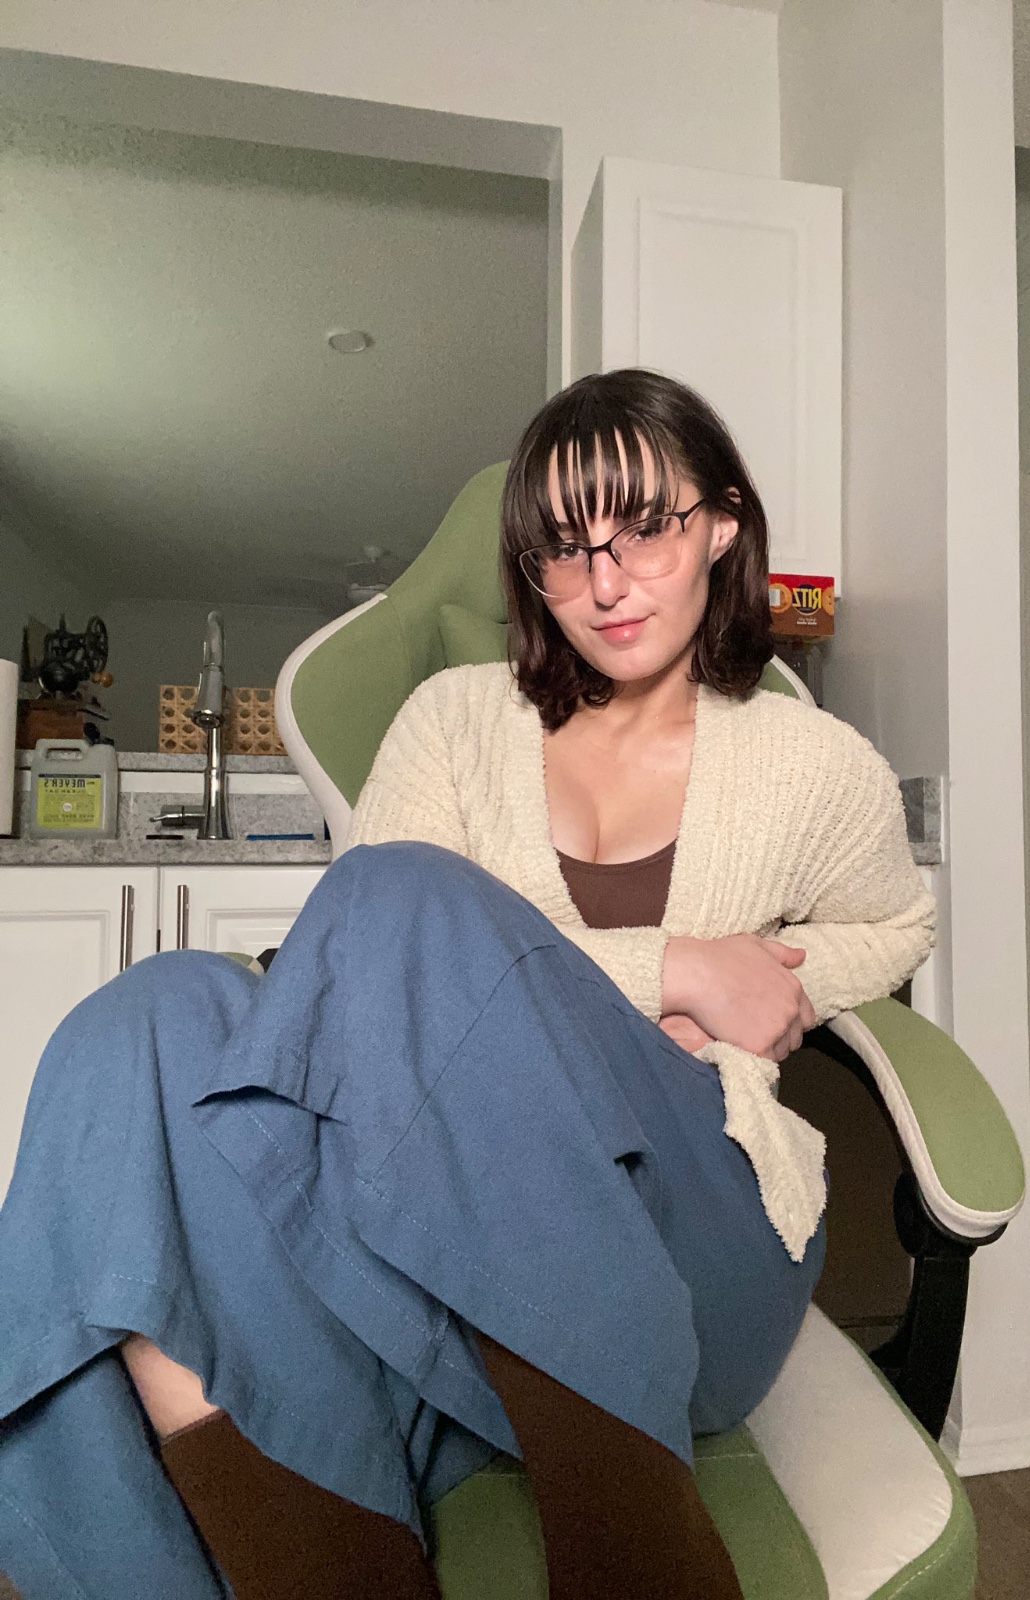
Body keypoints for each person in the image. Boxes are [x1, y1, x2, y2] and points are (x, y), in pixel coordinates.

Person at [0, 369, 935, 1600]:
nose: (605, 581)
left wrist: (781, 987)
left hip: (692, 1235)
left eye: (644, 527)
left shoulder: (815, 764)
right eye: (564, 547)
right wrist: (672, 966)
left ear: (721, 523)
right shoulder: (452, 722)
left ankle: (641, 1556)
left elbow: (898, 922)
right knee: (139, 1022)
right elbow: (370, 971)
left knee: (405, 894)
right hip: (437, 1251)